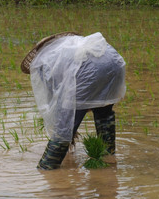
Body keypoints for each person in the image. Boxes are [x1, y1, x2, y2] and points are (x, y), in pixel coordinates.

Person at [21, 32, 126, 170]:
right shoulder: (71, 45)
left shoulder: (48, 60)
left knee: (64, 126)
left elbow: (58, 99)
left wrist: (67, 125)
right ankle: (108, 158)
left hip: (89, 73)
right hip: (114, 65)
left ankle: (47, 167)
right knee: (104, 113)